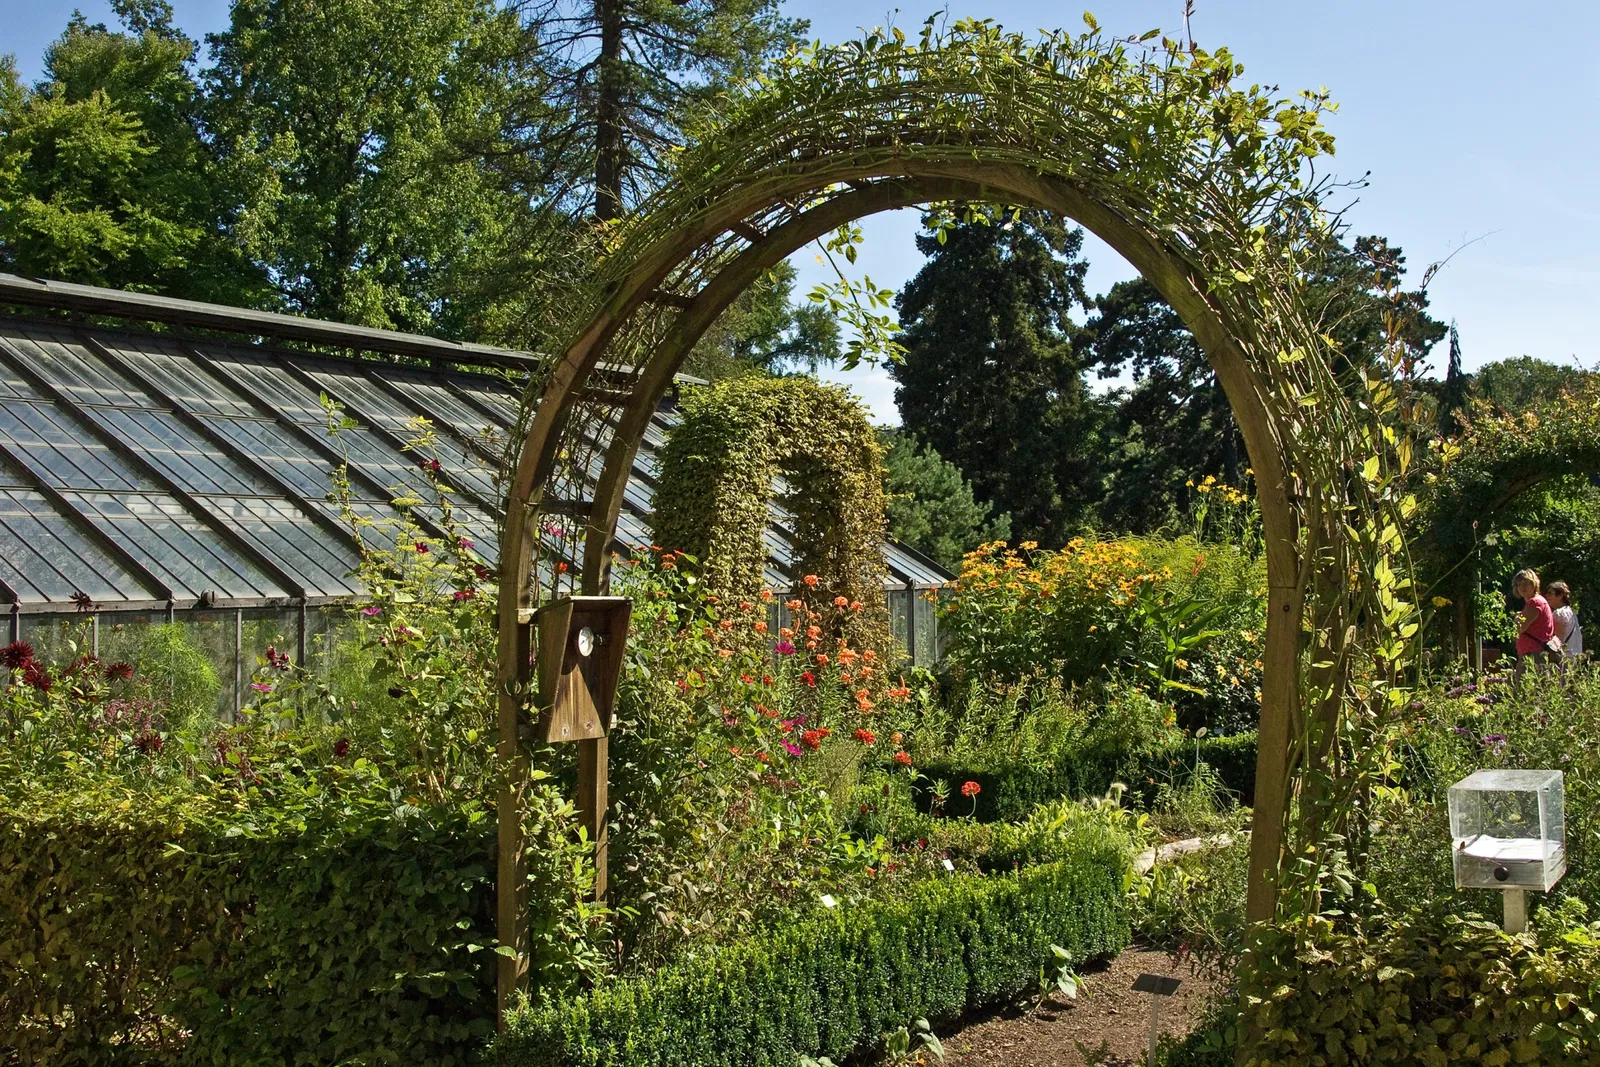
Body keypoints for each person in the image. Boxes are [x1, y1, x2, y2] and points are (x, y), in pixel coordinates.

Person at [1512, 568, 1558, 676]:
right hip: (1535, 652)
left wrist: (1516, 619)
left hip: (1533, 654)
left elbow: (1521, 627)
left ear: (1534, 584)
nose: (1522, 587)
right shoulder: (1537, 601)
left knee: (1525, 690)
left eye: (1525, 584)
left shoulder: (1535, 602)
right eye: (1519, 585)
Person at [1548, 580, 1584, 658]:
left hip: (1564, 657)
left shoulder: (1559, 613)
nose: (1547, 596)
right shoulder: (1570, 612)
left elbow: (1557, 639)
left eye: (1550, 593)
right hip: (1576, 655)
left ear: (1560, 595)